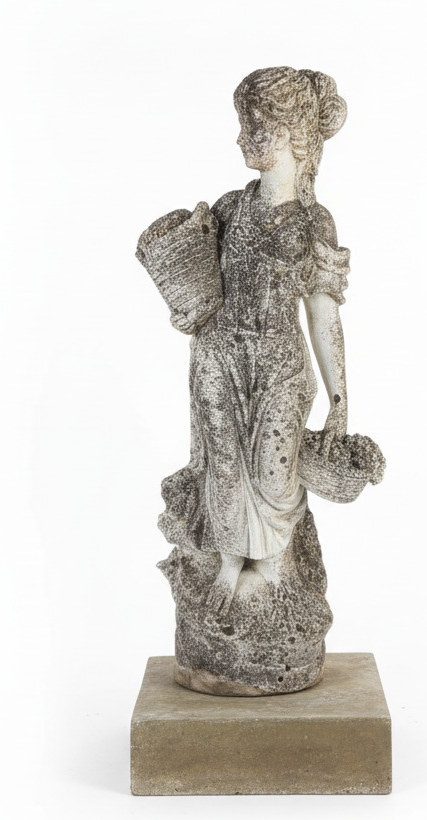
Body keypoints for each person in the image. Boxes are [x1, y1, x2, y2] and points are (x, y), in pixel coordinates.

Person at [158, 67, 351, 616]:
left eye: (253, 127)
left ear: (288, 133)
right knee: (223, 468)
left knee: (274, 476)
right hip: (219, 360)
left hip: (278, 369)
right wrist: (184, 300)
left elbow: (323, 317)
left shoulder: (314, 223)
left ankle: (274, 568)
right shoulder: (228, 209)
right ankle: (227, 562)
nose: (241, 138)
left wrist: (340, 399)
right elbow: (200, 297)